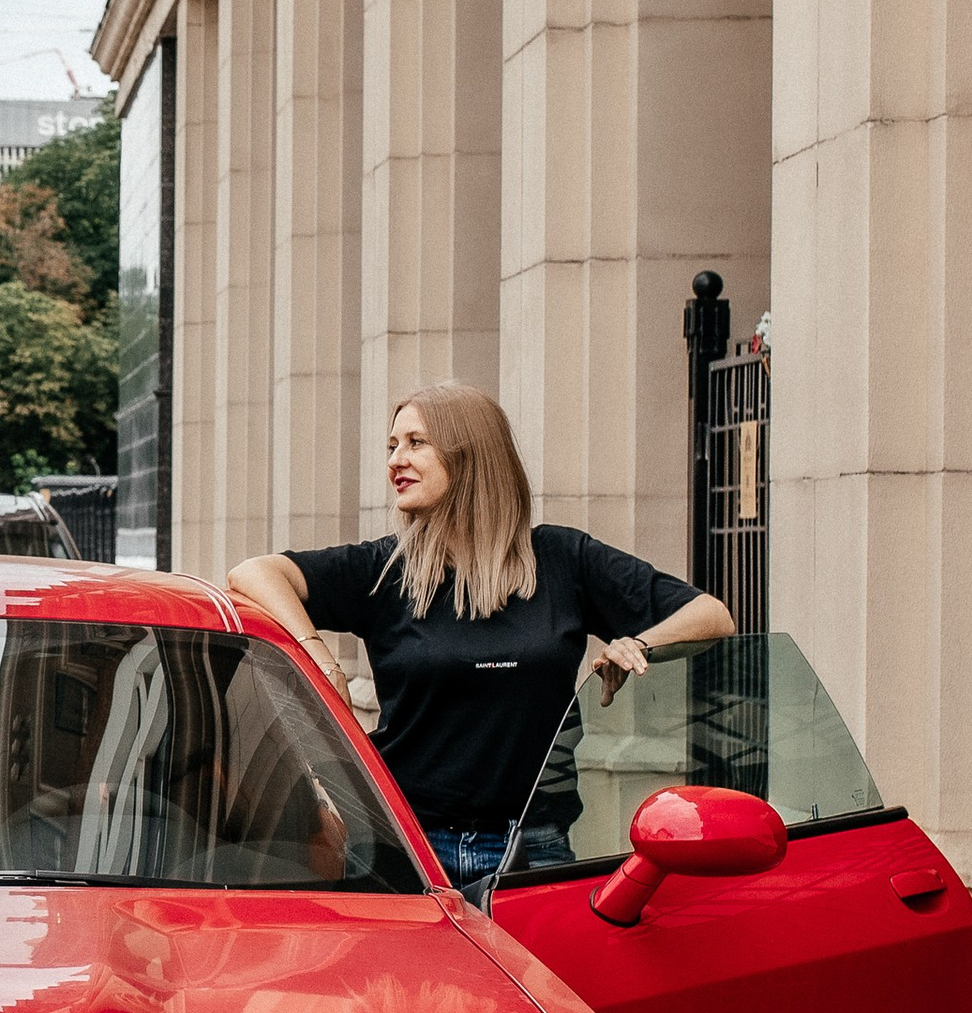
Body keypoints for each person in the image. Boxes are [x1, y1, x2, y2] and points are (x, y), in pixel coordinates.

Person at [227, 380, 734, 895]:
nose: (395, 460)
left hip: (533, 849)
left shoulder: (563, 560)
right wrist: (322, 662)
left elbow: (711, 615)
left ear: (470, 453)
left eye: (415, 442)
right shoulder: (386, 570)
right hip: (406, 847)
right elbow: (254, 573)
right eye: (392, 446)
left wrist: (642, 645)